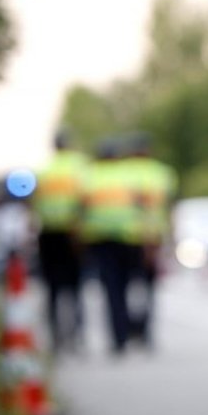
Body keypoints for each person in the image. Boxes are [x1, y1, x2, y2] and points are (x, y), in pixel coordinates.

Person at [80, 137, 143, 354]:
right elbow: (141, 206)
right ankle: (126, 333)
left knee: (111, 291)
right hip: (128, 240)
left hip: (101, 241)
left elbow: (81, 209)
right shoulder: (129, 175)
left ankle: (118, 337)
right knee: (126, 288)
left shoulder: (89, 176)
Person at [120, 132, 177, 348]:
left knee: (124, 287)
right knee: (148, 288)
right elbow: (170, 207)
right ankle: (145, 331)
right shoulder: (161, 173)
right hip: (153, 238)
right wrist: (171, 236)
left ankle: (127, 330)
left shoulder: (121, 173)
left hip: (127, 238)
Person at [33, 130, 87, 351]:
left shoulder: (44, 170)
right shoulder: (79, 167)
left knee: (53, 287)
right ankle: (76, 334)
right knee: (75, 287)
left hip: (48, 234)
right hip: (73, 234)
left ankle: (55, 334)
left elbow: (33, 202)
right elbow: (85, 200)